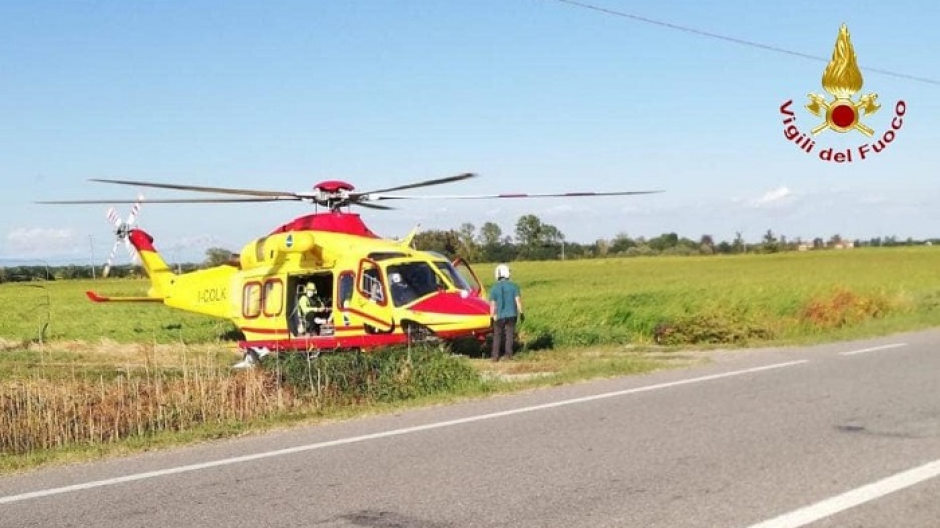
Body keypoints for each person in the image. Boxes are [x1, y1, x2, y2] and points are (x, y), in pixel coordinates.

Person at [488, 263, 524, 361]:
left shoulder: (494, 288)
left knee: (497, 335)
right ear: (507, 273)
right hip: (512, 314)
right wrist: (521, 312)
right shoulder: (514, 286)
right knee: (509, 335)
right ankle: (509, 354)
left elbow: (493, 304)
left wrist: (491, 316)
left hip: (499, 315)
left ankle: (495, 356)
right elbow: (518, 301)